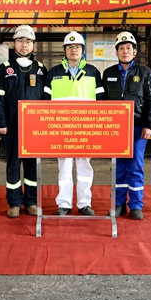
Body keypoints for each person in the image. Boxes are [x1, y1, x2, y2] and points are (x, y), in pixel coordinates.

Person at [44, 31, 105, 216]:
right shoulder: (53, 73)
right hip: (61, 129)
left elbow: (101, 101)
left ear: (82, 50)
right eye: (70, 47)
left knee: (85, 166)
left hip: (86, 128)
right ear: (64, 50)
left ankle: (84, 203)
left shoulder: (93, 72)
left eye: (77, 47)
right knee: (64, 167)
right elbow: (45, 102)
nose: (73, 50)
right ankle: (64, 203)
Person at [0, 24, 47, 218]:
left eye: (28, 41)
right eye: (20, 41)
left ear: (34, 45)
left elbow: (47, 98)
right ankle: (14, 202)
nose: (24, 45)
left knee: (32, 164)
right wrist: (1, 122)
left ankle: (31, 202)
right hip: (12, 125)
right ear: (14, 43)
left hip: (35, 127)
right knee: (13, 164)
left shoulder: (41, 69)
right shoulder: (5, 68)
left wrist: (45, 124)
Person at [102, 31, 151, 220]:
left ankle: (135, 205)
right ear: (116, 52)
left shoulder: (145, 73)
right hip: (115, 129)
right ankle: (118, 204)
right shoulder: (108, 73)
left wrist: (149, 124)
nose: (125, 51)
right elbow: (102, 101)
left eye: (128, 48)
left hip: (137, 127)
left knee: (135, 167)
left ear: (135, 52)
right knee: (117, 167)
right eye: (121, 48)